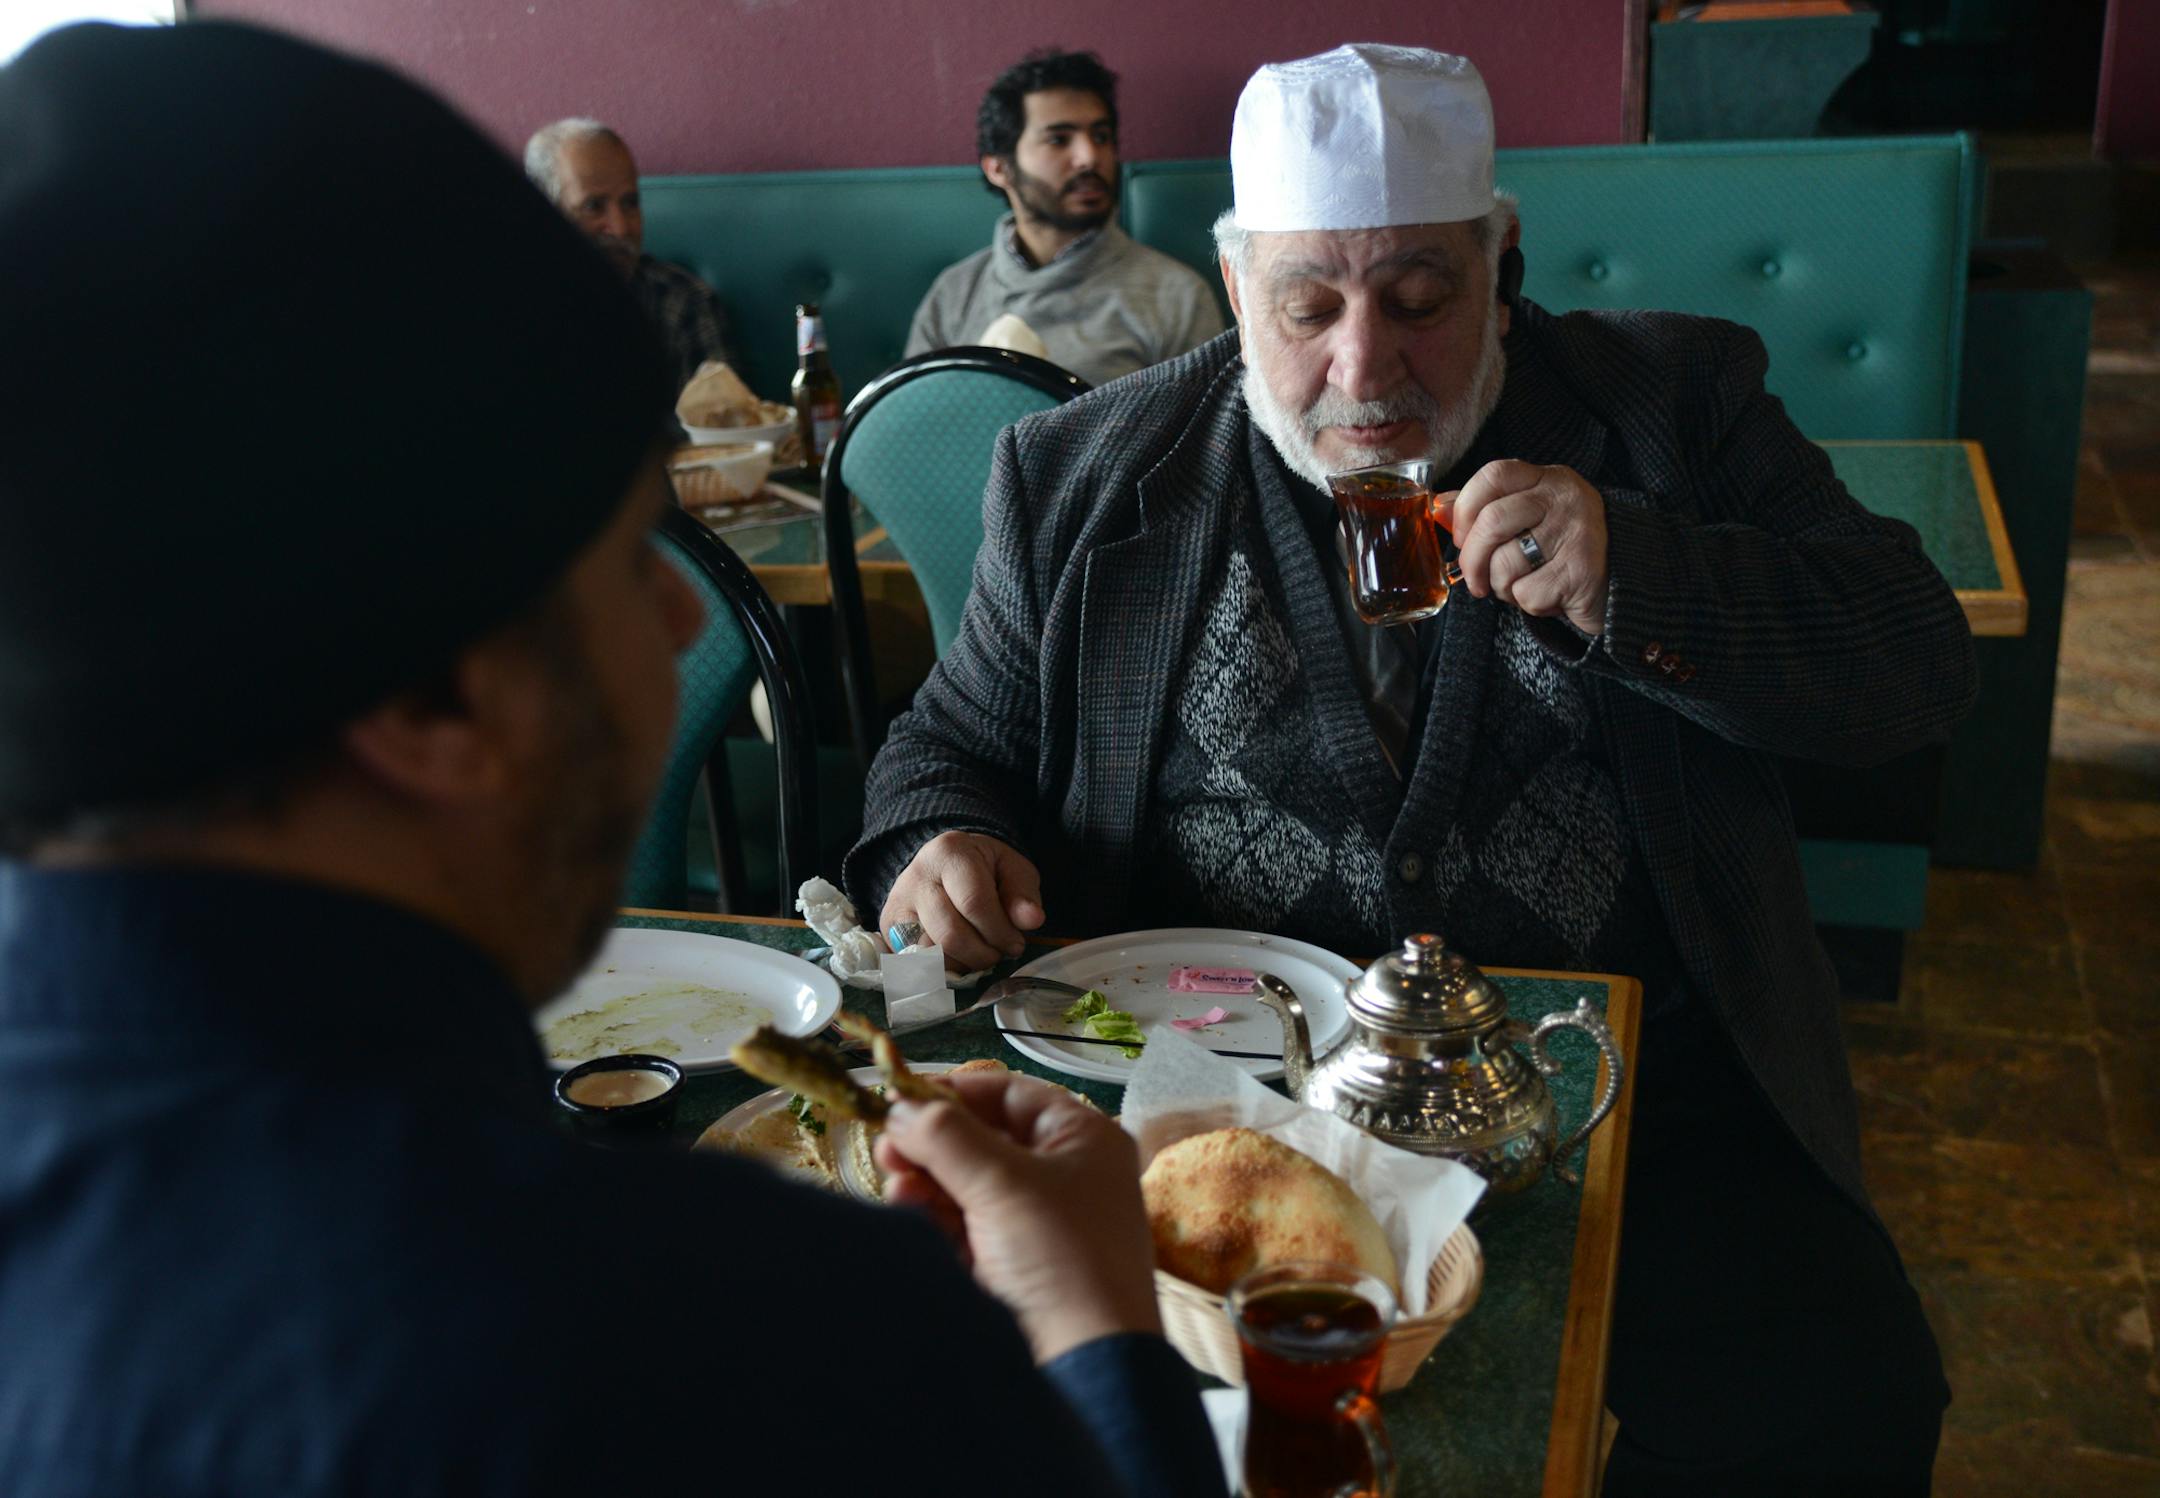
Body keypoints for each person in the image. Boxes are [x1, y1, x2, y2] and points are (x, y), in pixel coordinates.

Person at [0, 23, 1221, 1498]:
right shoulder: (752, 1342)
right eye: (633, 548)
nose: (682, 616)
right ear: (436, 696)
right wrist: (1096, 1326)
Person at [851, 43, 1972, 1497]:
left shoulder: (1673, 404)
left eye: (1421, 298)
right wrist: (938, 834)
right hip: (1218, 1119)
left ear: (1502, 269)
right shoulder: (1081, 474)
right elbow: (946, 744)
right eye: (1308, 305)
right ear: (1236, 286)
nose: (1363, 368)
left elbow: (1916, 661)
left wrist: (1641, 575)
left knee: (1847, 1397)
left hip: (1626, 1111)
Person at [904, 48, 1223, 388]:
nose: (1089, 157)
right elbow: (909, 415)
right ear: (999, 169)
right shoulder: (954, 293)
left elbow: (1204, 422)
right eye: (1059, 140)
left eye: (1101, 137)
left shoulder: (1176, 295)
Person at [526, 115, 733, 391]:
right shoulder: (502, 309)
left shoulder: (680, 303)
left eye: (630, 203)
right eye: (593, 207)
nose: (621, 228)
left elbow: (722, 415)